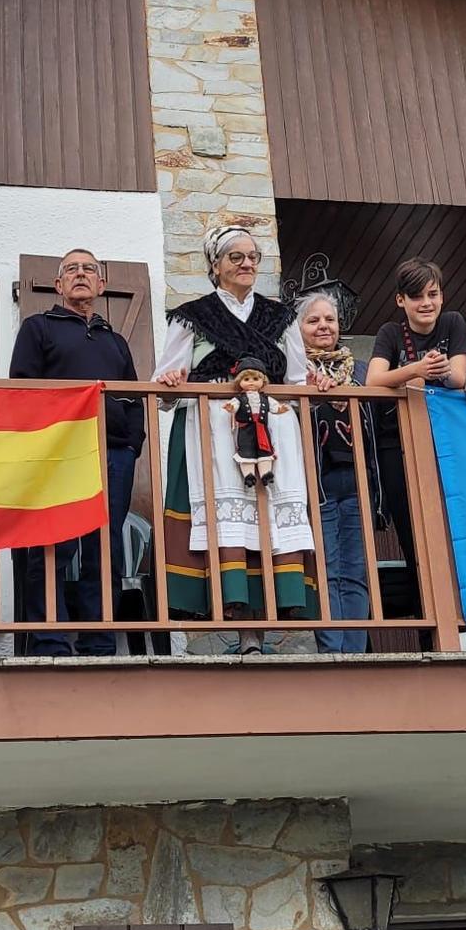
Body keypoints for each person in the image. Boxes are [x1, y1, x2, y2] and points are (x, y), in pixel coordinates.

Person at [155, 223, 317, 654]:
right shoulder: (193, 315)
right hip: (211, 433)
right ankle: (237, 622)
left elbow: (297, 380)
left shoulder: (281, 316)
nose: (246, 264)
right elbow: (163, 384)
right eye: (235, 257)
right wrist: (172, 380)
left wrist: (311, 387)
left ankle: (262, 626)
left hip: (273, 431)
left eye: (252, 257)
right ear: (215, 265)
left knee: (268, 522)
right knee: (227, 521)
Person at [7, 247, 145, 657]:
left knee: (106, 545)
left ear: (101, 284)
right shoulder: (38, 328)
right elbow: (23, 389)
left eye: (89, 269)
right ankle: (51, 638)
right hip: (61, 450)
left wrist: (133, 443)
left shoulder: (115, 340)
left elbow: (134, 395)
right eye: (72, 269)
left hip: (114, 452)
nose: (81, 274)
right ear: (58, 284)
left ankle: (99, 638)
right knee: (53, 542)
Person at [364, 259, 466, 620]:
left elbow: (459, 377)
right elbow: (373, 380)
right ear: (400, 301)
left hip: (444, 439)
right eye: (416, 296)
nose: (426, 303)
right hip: (397, 443)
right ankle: (427, 616)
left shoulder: (453, 322)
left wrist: (429, 374)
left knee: (450, 522)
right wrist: (417, 370)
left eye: (433, 294)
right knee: (411, 528)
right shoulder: (390, 334)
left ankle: (459, 611)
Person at [298, 288, 376, 654]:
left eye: (329, 319)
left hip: (358, 478)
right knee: (326, 569)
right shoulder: (294, 371)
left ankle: (356, 652)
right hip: (317, 481)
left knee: (356, 570)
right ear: (299, 329)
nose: (323, 326)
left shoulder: (358, 370)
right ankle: (333, 652)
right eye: (313, 320)